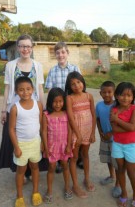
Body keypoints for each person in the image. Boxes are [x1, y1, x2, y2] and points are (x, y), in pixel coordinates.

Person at [0, 34, 47, 180]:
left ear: (32, 48)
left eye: (28, 46)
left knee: (34, 137)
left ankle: (32, 170)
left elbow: (40, 88)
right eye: (23, 46)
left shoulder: (38, 66)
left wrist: (42, 109)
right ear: (18, 48)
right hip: (15, 108)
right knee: (15, 138)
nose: (26, 49)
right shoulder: (10, 66)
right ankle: (20, 171)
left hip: (33, 109)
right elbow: (7, 89)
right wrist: (3, 110)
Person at [44, 41, 82, 173]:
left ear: (68, 53)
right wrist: (49, 107)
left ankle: (77, 157)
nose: (61, 55)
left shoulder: (75, 69)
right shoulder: (52, 71)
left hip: (73, 106)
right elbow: (49, 90)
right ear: (55, 55)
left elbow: (80, 87)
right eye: (58, 53)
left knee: (75, 130)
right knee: (61, 133)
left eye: (63, 52)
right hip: (58, 107)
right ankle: (60, 160)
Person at [9, 77, 43, 207]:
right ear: (16, 91)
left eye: (28, 89)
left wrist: (42, 142)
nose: (25, 92)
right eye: (21, 90)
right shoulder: (15, 108)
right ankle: (20, 196)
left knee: (35, 167)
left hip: (35, 143)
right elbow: (11, 129)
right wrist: (16, 147)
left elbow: (40, 124)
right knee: (21, 170)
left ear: (33, 90)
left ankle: (35, 192)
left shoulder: (38, 105)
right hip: (21, 145)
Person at [110, 82, 135, 207]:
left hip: (131, 145)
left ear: (133, 97)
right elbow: (115, 130)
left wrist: (117, 120)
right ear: (117, 96)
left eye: (129, 95)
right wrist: (133, 128)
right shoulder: (113, 109)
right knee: (120, 170)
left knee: (131, 172)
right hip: (117, 144)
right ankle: (124, 193)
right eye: (122, 95)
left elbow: (130, 126)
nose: (125, 98)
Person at [65, 71, 96, 198]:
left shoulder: (89, 96)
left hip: (88, 130)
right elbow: (71, 118)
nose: (76, 85)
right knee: (74, 157)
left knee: (85, 155)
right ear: (69, 86)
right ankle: (75, 185)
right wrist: (77, 135)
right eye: (73, 84)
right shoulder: (69, 98)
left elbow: (93, 115)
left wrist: (93, 132)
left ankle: (86, 178)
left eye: (78, 82)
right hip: (76, 132)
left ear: (83, 82)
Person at [42, 88, 73, 204]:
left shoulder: (66, 114)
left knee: (65, 166)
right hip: (52, 146)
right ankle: (49, 191)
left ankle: (67, 187)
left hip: (64, 146)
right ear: (50, 101)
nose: (58, 104)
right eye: (55, 101)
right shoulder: (46, 115)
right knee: (51, 168)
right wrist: (45, 146)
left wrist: (69, 145)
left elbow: (70, 130)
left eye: (60, 101)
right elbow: (44, 132)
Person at [96, 81, 121, 198]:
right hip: (104, 138)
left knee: (117, 162)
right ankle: (111, 176)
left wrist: (111, 133)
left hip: (116, 139)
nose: (107, 94)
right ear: (100, 93)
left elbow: (119, 123)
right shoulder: (99, 105)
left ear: (114, 93)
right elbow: (98, 119)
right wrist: (100, 132)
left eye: (109, 92)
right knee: (108, 159)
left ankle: (118, 184)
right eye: (104, 92)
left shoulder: (117, 106)